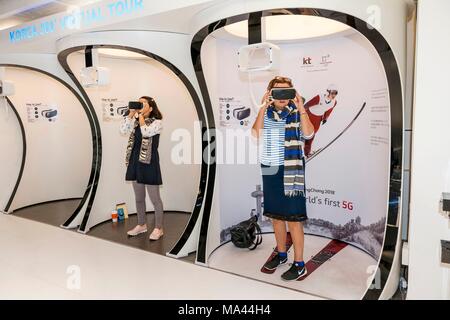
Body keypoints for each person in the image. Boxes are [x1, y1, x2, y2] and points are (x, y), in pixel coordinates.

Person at [252, 76, 314, 281]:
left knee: (293, 219)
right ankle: (280, 254)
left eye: (286, 91)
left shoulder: (297, 111)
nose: (282, 96)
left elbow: (308, 133)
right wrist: (262, 106)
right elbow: (255, 133)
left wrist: (301, 106)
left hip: (291, 170)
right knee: (276, 216)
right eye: (277, 91)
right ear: (270, 93)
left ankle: (299, 264)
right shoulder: (267, 112)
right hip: (270, 168)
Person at [120, 96, 164, 240]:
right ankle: (141, 225)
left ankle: (158, 228)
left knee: (155, 199)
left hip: (149, 162)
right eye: (139, 103)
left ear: (150, 108)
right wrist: (131, 114)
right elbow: (122, 130)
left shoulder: (157, 122)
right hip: (135, 162)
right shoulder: (136, 120)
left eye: (143, 103)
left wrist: (140, 118)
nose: (140, 105)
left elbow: (146, 132)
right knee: (139, 198)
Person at [303, 84, 339, 157]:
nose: (334, 95)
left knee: (312, 135)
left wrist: (325, 118)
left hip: (318, 118)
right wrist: (302, 114)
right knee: (305, 132)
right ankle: (299, 150)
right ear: (328, 92)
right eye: (332, 93)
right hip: (309, 115)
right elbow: (307, 105)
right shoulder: (319, 97)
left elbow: (329, 110)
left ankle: (307, 153)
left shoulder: (334, 102)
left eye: (335, 93)